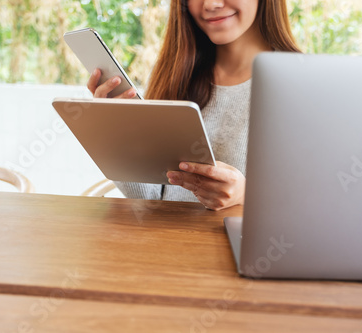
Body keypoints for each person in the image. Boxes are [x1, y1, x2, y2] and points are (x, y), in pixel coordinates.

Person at [87, 0, 300, 210]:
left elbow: (318, 211)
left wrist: (247, 195)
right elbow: (153, 201)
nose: (211, 4)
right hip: (168, 241)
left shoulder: (301, 82)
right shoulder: (175, 75)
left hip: (244, 245)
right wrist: (115, 134)